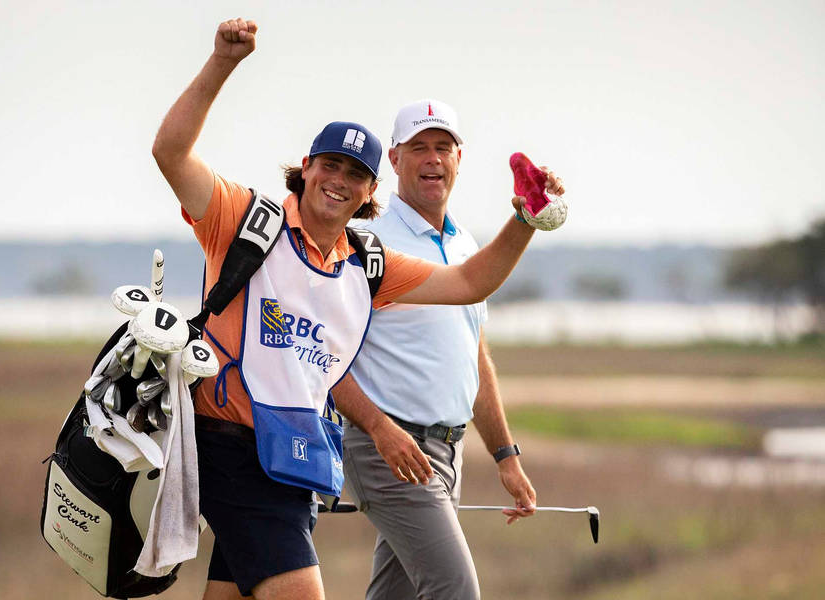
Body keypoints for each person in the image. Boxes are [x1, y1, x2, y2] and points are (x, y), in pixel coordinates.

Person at [152, 18, 560, 600]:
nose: (338, 181)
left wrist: (525, 217)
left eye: (355, 175)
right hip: (230, 444)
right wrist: (223, 62)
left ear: (370, 191)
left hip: (299, 460)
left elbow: (471, 282)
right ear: (307, 167)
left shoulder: (366, 264)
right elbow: (170, 153)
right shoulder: (243, 219)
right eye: (330, 165)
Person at [333, 99, 565, 600]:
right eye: (419, 147)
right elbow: (326, 357)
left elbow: (474, 359)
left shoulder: (464, 245)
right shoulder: (366, 240)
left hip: (444, 452)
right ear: (394, 159)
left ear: (460, 158)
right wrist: (377, 430)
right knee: (454, 590)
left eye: (443, 147)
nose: (432, 158)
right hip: (388, 450)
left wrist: (505, 455)